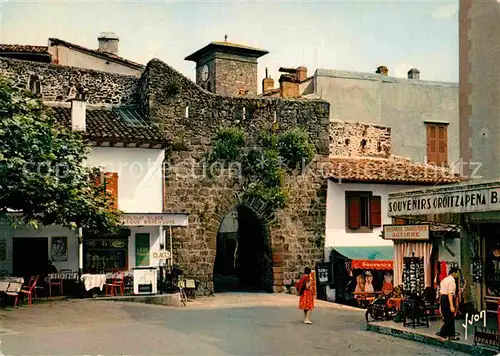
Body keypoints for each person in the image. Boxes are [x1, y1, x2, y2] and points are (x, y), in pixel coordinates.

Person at [437, 266, 461, 341]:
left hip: (443, 298)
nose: (458, 275)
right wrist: (451, 305)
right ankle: (442, 334)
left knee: (450, 317)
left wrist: (441, 304)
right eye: (457, 274)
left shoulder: (444, 280)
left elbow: (441, 293)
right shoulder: (451, 281)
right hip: (447, 299)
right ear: (453, 273)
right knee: (449, 318)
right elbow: (450, 293)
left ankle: (451, 335)